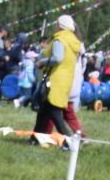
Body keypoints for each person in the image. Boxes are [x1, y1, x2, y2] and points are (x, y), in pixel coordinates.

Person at [31, 14, 84, 143]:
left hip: (54, 80)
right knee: (43, 110)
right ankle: (34, 139)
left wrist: (41, 62)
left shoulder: (60, 40)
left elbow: (57, 58)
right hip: (64, 80)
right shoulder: (73, 41)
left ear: (60, 26)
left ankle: (68, 141)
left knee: (54, 112)